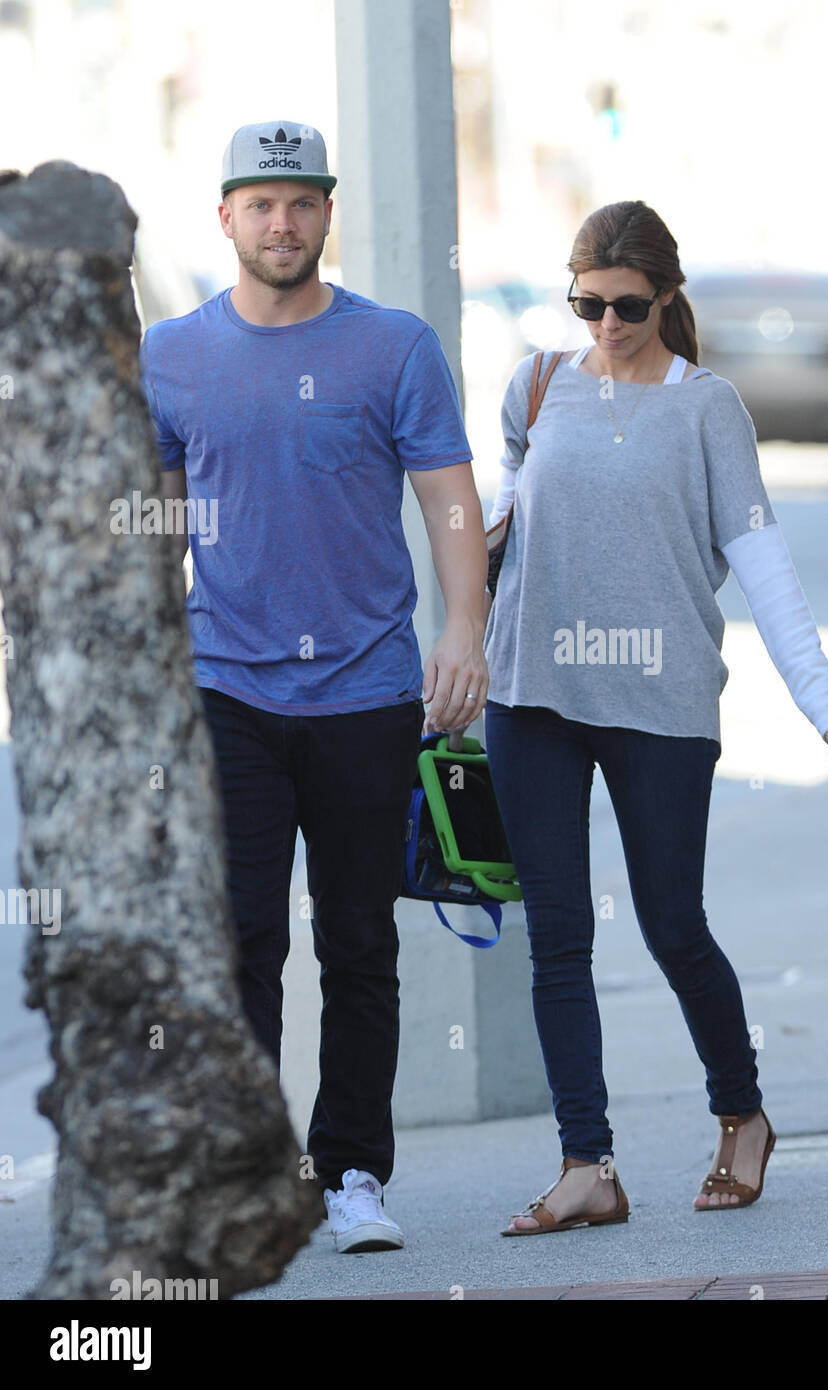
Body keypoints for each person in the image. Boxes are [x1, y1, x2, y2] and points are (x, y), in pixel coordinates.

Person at [478, 200, 828, 1234]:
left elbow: (766, 569)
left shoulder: (709, 409)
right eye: (586, 303)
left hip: (660, 698)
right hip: (534, 693)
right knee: (555, 935)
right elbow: (496, 514)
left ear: (667, 297)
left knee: (671, 924)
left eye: (628, 305)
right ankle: (586, 1164)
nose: (605, 323)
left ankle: (740, 1113)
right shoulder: (536, 385)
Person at [139, 121, 488, 1253]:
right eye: (260, 203)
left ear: (328, 214)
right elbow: (156, 526)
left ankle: (350, 1178)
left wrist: (464, 633)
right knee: (243, 940)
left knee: (359, 944)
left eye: (300, 202)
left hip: (368, 691)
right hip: (225, 690)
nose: (280, 222)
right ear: (226, 217)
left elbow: (447, 500)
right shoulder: (172, 355)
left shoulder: (393, 347)